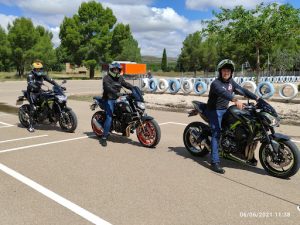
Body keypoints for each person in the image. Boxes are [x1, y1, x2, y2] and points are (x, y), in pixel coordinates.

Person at [207, 59, 258, 174]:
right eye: (224, 70)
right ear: (220, 71)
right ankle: (214, 162)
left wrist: (256, 98)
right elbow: (222, 93)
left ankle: (244, 153)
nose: (226, 72)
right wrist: (235, 100)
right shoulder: (216, 83)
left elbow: (242, 90)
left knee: (242, 125)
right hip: (215, 110)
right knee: (216, 134)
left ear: (231, 72)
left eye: (228, 70)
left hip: (225, 109)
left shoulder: (231, 82)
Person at [100, 62, 133, 147]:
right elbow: (107, 87)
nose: (116, 71)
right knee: (109, 117)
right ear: (111, 70)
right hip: (108, 99)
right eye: (115, 69)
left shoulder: (120, 78)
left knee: (127, 109)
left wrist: (134, 88)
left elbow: (126, 84)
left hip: (117, 98)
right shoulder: (106, 78)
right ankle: (104, 137)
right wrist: (116, 93)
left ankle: (124, 126)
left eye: (117, 70)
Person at [26, 60, 61, 132]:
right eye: (37, 69)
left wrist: (58, 86)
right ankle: (31, 126)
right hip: (32, 92)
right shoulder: (30, 75)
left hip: (39, 91)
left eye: (40, 68)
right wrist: (34, 86)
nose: (38, 70)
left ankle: (49, 117)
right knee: (34, 108)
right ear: (34, 69)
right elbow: (30, 83)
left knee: (48, 101)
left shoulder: (42, 74)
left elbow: (51, 80)